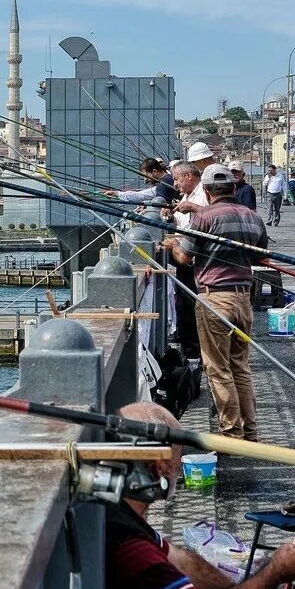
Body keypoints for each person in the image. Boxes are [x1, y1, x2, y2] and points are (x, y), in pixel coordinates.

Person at [105, 401, 295, 589]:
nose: (178, 466)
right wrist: (276, 570)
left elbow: (187, 564)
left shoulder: (120, 514)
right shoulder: (128, 545)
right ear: (158, 466)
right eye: (177, 457)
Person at [162, 164, 268, 440]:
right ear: (234, 188)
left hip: (214, 300)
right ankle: (251, 431)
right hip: (243, 299)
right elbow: (262, 258)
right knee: (240, 367)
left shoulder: (206, 217)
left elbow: (184, 258)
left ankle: (231, 433)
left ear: (207, 191)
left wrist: (173, 243)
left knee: (218, 369)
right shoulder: (252, 217)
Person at [169, 161, 205, 360]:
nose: (174, 183)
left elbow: (213, 217)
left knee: (192, 309)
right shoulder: (186, 195)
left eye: (176, 178)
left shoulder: (202, 194)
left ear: (189, 176)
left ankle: (195, 354)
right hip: (183, 257)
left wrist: (192, 206)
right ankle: (191, 351)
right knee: (184, 307)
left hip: (194, 261)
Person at [102, 157, 181, 207]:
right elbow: (141, 195)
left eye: (146, 175)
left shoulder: (164, 183)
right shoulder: (167, 179)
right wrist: (117, 193)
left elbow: (159, 204)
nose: (145, 179)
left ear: (154, 172)